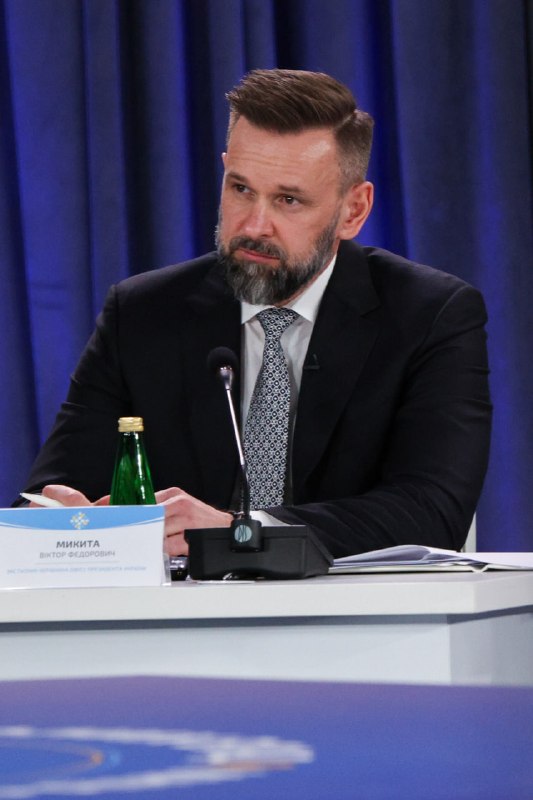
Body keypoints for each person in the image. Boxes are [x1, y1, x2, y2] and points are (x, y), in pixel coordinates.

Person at [21, 69, 492, 558]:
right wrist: (58, 520)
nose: (254, 225)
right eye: (241, 189)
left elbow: (432, 510)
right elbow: (52, 492)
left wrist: (244, 531)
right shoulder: (141, 314)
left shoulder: (430, 316)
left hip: (357, 604)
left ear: (353, 210)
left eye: (289, 200)